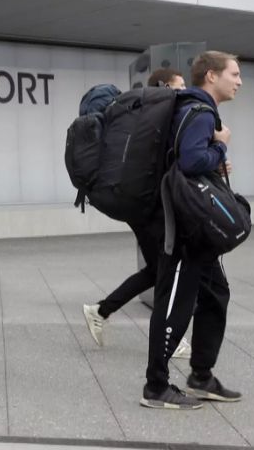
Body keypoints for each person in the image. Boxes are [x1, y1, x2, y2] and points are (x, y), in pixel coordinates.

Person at [141, 51, 242, 409]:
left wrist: (214, 152)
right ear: (211, 76)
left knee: (216, 293)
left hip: (196, 228)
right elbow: (191, 160)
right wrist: (219, 146)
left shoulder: (195, 110)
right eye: (234, 73)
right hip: (185, 227)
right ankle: (156, 386)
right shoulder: (198, 112)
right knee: (174, 305)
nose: (239, 81)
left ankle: (201, 375)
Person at [83, 68, 191, 360]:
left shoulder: (142, 113)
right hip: (151, 204)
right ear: (166, 85)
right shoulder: (161, 112)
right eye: (180, 85)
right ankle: (171, 338)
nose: (183, 90)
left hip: (136, 200)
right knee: (169, 268)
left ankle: (101, 310)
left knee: (157, 268)